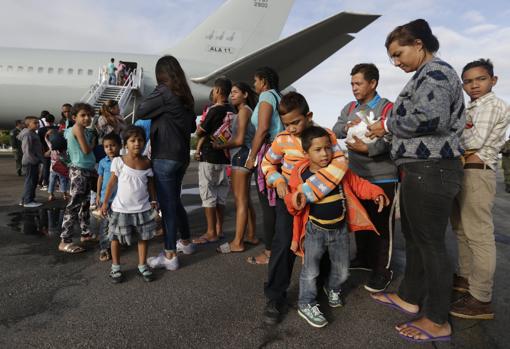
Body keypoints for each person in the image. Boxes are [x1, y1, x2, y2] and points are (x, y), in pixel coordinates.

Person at [367, 19, 465, 343]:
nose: (396, 63)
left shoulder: (437, 73)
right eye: (392, 57)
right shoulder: (424, 75)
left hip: (432, 168)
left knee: (432, 245)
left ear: (419, 44)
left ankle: (438, 318)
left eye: (399, 54)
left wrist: (387, 123)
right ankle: (410, 297)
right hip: (419, 167)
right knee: (415, 239)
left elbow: (429, 118)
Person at [285, 126, 388, 327]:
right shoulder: (301, 176)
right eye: (318, 150)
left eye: (327, 148)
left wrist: (376, 192)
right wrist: (294, 201)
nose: (324, 153)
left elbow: (358, 184)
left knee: (342, 269)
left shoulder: (338, 171)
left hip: (340, 230)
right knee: (311, 270)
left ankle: (333, 288)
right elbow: (292, 201)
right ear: (306, 153)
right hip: (315, 231)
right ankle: (306, 303)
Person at [260, 92, 349, 325]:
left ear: (308, 116)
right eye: (286, 124)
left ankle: (321, 287)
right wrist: (277, 180)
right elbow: (267, 163)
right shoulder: (281, 140)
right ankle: (275, 296)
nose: (291, 128)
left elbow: (340, 163)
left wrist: (309, 192)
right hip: (289, 200)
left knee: (324, 245)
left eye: (296, 122)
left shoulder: (325, 136)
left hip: (320, 201)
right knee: (284, 244)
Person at [450, 59, 509, 320]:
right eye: (468, 81)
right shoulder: (472, 107)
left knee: (479, 235)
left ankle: (481, 298)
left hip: (477, 174)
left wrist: (448, 138)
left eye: (480, 79)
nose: (474, 85)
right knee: (461, 230)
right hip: (463, 171)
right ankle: (465, 280)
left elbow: (473, 140)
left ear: (493, 80)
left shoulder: (493, 105)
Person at [332, 63, 397, 292]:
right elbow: (336, 128)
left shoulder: (387, 108)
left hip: (383, 176)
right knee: (360, 220)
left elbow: (394, 141)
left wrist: (367, 150)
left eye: (358, 83)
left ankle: (382, 270)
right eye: (352, 84)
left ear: (373, 83)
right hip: (357, 177)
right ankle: (363, 258)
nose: (354, 88)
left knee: (381, 225)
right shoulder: (350, 107)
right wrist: (347, 125)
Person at [137, 55, 197, 271]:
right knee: (175, 201)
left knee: (168, 206)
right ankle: (186, 242)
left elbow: (142, 109)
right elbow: (191, 127)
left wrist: (159, 107)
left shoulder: (164, 91)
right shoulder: (186, 96)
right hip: (181, 157)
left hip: (164, 155)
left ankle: (170, 254)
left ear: (161, 74)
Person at [100, 126, 158, 283]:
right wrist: (105, 202)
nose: (137, 143)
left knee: (143, 238)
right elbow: (111, 183)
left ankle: (142, 265)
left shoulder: (147, 162)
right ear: (125, 144)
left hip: (143, 208)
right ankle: (116, 267)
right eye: (132, 140)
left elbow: (151, 184)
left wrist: (154, 200)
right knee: (115, 239)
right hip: (121, 209)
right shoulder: (119, 161)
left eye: (140, 140)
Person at [245, 67, 284, 265]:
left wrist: (252, 156)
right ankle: (281, 246)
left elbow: (262, 129)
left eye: (256, 81)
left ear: (264, 81)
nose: (254, 85)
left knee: (267, 204)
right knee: (278, 203)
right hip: (282, 154)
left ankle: (270, 252)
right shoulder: (279, 95)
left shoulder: (267, 96)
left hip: (269, 153)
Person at [214, 82, 259, 253]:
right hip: (244, 156)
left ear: (245, 95)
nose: (232, 95)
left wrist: (220, 146)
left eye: (235, 92)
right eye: (231, 93)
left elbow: (239, 140)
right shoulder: (244, 112)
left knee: (240, 201)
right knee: (245, 199)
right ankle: (251, 235)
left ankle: (237, 242)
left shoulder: (243, 112)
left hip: (240, 156)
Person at [193, 77, 233, 244]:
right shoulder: (233, 110)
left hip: (209, 157)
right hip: (225, 158)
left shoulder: (214, 110)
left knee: (208, 195)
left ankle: (210, 232)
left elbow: (200, 132)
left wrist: (199, 128)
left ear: (217, 91)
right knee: (221, 196)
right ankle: (219, 229)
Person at [59, 103, 97, 254]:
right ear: (74, 117)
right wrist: (94, 142)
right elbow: (86, 149)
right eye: (83, 115)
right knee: (74, 205)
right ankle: (65, 240)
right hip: (79, 171)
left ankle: (85, 234)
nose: (87, 118)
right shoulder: (77, 128)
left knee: (85, 204)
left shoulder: (80, 129)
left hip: (86, 169)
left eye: (89, 115)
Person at [95, 132, 121, 262]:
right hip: (106, 199)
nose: (109, 148)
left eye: (112, 145)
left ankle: (115, 244)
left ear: (120, 146)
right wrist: (98, 194)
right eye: (106, 146)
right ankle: (104, 248)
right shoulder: (102, 162)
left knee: (116, 224)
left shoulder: (123, 161)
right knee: (104, 224)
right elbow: (100, 178)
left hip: (120, 199)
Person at [18, 116, 44, 208]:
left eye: (38, 122)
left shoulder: (31, 133)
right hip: (30, 162)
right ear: (28, 124)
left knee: (31, 181)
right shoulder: (28, 134)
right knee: (31, 181)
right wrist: (35, 160)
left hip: (32, 161)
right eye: (35, 123)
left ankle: (26, 199)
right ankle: (28, 201)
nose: (38, 124)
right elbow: (26, 150)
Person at [45, 129, 70, 201]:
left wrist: (47, 134)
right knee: (63, 181)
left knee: (52, 181)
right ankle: (64, 195)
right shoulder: (65, 150)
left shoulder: (51, 147)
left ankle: (51, 195)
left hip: (53, 168)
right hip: (62, 168)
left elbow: (46, 140)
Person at [38, 114, 58, 191]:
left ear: (45, 121)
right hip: (56, 151)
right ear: (54, 120)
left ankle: (45, 183)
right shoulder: (57, 128)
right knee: (56, 167)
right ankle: (57, 183)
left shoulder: (41, 130)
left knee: (46, 168)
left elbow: (40, 142)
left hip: (45, 151)